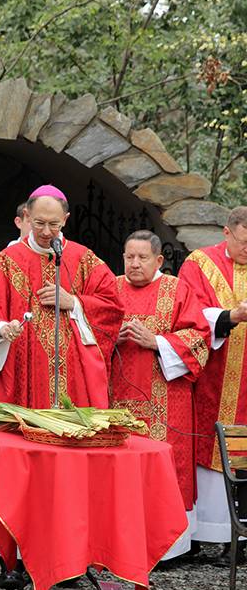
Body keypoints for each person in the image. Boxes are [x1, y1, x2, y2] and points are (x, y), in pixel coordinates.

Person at [0, 184, 124, 586]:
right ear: (26, 218)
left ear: (66, 220)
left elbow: (112, 305)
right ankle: (13, 559)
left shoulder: (83, 260)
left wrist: (75, 303)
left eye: (55, 224)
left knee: (70, 478)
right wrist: (1, 329)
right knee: (24, 475)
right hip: (23, 390)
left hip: (73, 393)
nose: (47, 232)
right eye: (39, 223)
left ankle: (72, 559)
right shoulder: (3, 264)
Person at [109, 230, 211, 560]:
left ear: (159, 260)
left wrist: (157, 342)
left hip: (167, 399)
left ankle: (169, 548)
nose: (134, 264)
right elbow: (86, 334)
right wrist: (110, 336)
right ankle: (118, 543)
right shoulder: (109, 288)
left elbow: (200, 337)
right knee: (119, 470)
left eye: (142, 258)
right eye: (129, 257)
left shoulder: (177, 289)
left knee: (165, 468)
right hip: (116, 399)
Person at [178, 206, 247, 556]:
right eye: (244, 243)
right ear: (226, 233)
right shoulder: (199, 263)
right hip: (215, 375)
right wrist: (230, 316)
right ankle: (213, 533)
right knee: (213, 443)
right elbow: (189, 313)